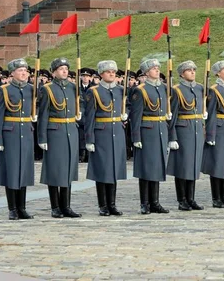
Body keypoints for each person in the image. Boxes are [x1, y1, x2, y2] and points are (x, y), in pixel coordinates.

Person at [38, 58, 82, 218]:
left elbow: (79, 103)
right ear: (54, 72)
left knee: (68, 169)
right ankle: (55, 206)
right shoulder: (47, 89)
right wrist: (42, 138)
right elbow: (43, 114)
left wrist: (79, 112)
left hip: (70, 130)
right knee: (55, 170)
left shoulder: (73, 87)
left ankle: (66, 206)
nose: (65, 71)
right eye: (61, 69)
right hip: (54, 132)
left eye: (66, 68)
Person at [84, 60, 128, 216]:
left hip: (117, 131)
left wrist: (125, 115)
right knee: (103, 170)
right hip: (101, 133)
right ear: (101, 74)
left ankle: (112, 204)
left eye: (113, 72)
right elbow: (89, 117)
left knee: (114, 169)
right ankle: (103, 205)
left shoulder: (120, 90)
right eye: (108, 72)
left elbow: (127, 105)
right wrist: (89, 139)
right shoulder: (94, 92)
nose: (111, 74)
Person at [0, 59, 35, 220]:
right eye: (20, 70)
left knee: (23, 170)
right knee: (11, 171)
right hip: (9, 133)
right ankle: (12, 208)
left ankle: (22, 207)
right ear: (12, 73)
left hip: (26, 131)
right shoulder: (4, 90)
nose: (23, 73)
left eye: (25, 70)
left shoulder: (32, 89)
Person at [130, 58, 170, 214]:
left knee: (157, 167)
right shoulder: (141, 90)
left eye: (158, 68)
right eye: (153, 68)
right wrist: (136, 137)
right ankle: (144, 203)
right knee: (146, 168)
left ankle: (155, 202)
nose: (157, 70)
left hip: (160, 129)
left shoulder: (163, 88)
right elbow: (136, 115)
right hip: (147, 131)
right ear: (146, 72)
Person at [168, 60, 205, 211]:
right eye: (189, 70)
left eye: (194, 70)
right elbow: (173, 115)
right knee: (182, 166)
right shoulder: (176, 90)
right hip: (183, 130)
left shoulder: (200, 88)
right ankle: (182, 199)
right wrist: (173, 137)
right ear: (182, 74)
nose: (192, 72)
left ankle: (191, 198)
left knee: (194, 165)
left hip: (196, 129)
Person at [202, 60, 224, 208]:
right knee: (217, 163)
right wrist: (210, 135)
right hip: (219, 128)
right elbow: (211, 114)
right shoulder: (214, 90)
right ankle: (216, 197)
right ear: (218, 72)